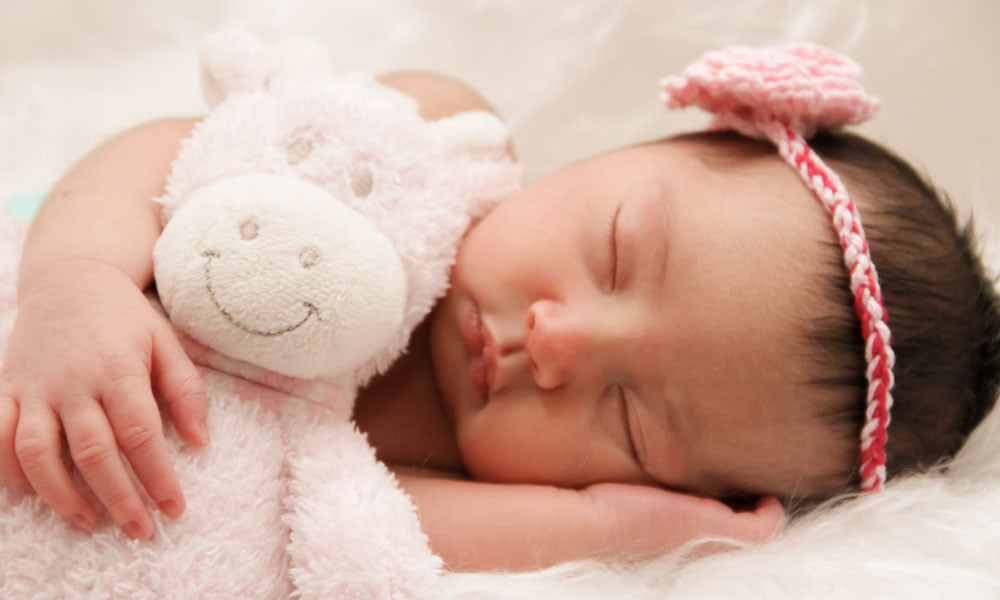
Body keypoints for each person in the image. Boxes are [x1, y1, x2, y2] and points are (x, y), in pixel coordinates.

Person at [0, 63, 997, 572]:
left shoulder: (462, 465)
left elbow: (348, 529)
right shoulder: (436, 144)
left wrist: (603, 528)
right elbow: (177, 151)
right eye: (616, 250)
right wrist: (74, 282)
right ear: (652, 144)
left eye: (630, 419)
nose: (557, 344)